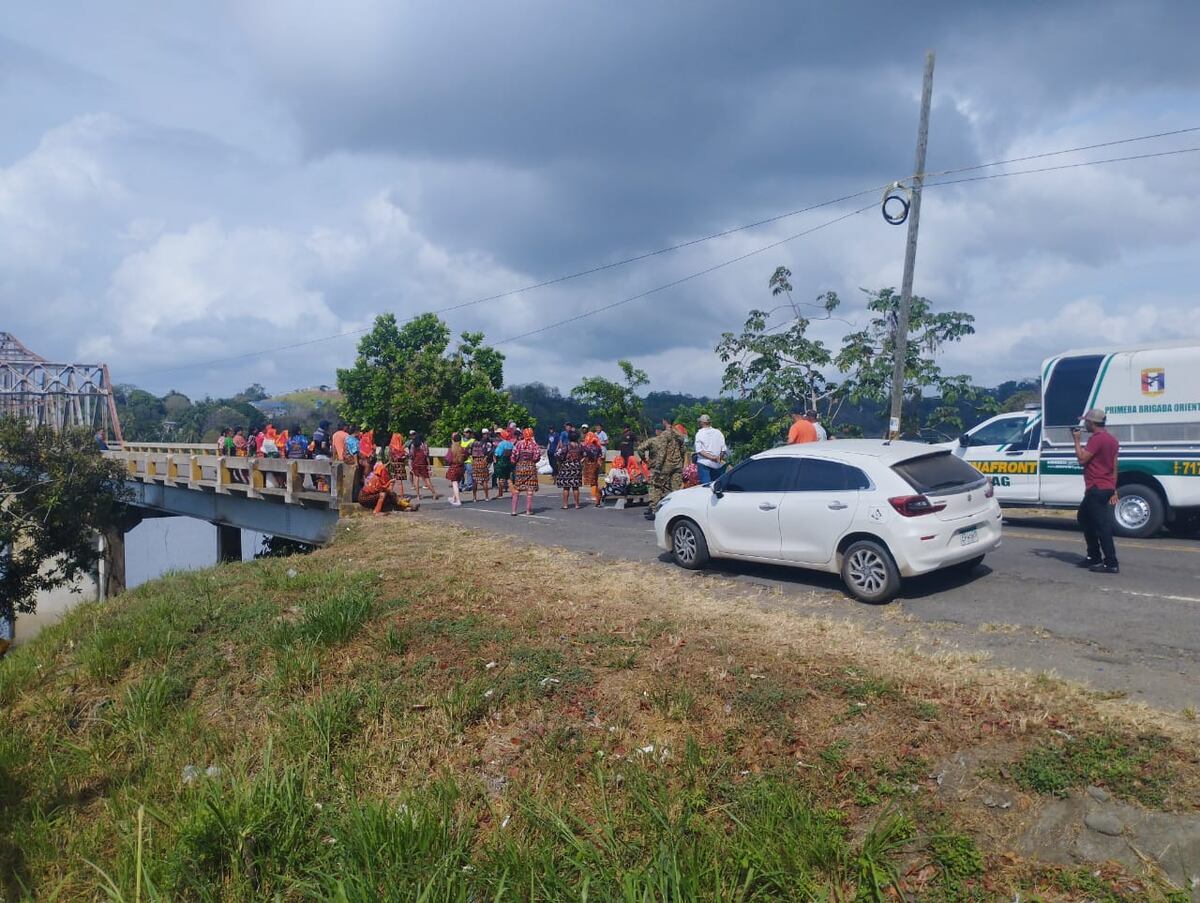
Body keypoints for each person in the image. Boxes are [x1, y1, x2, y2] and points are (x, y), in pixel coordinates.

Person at [1074, 408, 1120, 574]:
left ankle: (1110, 562)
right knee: (1084, 518)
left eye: (1086, 421)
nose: (1084, 424)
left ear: (1092, 423)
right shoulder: (1112, 440)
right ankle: (1093, 556)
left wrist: (1077, 441)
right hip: (1105, 486)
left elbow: (1081, 459)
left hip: (1096, 487)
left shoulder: (1097, 439)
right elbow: (1115, 466)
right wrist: (1113, 488)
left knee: (1102, 525)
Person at [637, 419, 688, 518]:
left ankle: (655, 510)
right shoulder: (679, 434)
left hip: (666, 466)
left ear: (665, 422)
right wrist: (680, 462)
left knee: (656, 486)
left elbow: (662, 452)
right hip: (677, 465)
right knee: (675, 489)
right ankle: (676, 511)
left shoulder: (664, 435)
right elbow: (683, 449)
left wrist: (657, 467)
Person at [511, 428, 541, 516]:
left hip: (520, 466)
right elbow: (537, 457)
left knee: (517, 489)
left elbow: (513, 456)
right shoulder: (534, 445)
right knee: (530, 489)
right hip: (531, 467)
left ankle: (514, 511)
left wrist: (516, 462)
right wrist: (532, 461)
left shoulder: (518, 444)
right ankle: (528, 511)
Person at [693, 413, 728, 485]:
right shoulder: (718, 432)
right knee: (716, 486)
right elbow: (723, 450)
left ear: (701, 423)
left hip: (704, 463)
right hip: (716, 464)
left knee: (706, 487)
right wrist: (718, 458)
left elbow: (699, 450)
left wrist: (712, 458)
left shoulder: (699, 434)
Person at [556, 429, 585, 509]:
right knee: (576, 487)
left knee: (566, 487)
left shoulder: (566, 446)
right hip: (576, 467)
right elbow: (585, 454)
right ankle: (577, 504)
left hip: (567, 467)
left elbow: (558, 454)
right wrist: (581, 461)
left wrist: (561, 460)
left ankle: (565, 505)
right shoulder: (580, 446)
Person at [409, 432, 438, 500]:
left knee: (416, 479)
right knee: (427, 479)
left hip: (415, 463)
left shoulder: (413, 444)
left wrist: (411, 464)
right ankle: (434, 494)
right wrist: (429, 465)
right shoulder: (424, 445)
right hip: (423, 463)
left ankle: (418, 496)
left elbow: (411, 455)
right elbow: (426, 455)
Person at [469, 428, 493, 502]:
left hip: (475, 462)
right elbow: (489, 452)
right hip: (483, 461)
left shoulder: (472, 444)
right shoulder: (485, 444)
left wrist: (472, 459)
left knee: (474, 481)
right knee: (485, 480)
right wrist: (485, 458)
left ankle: (474, 497)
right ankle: (486, 497)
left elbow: (469, 452)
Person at [582, 430, 604, 508]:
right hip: (596, 465)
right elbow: (600, 456)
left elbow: (585, 455)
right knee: (595, 480)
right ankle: (596, 494)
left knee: (592, 481)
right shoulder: (598, 447)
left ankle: (594, 495)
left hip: (590, 465)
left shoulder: (588, 447)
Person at [444, 432, 467, 506]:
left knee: (455, 483)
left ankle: (458, 500)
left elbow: (448, 459)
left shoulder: (452, 449)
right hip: (461, 467)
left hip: (454, 467)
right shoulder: (462, 449)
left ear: (453, 440)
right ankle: (454, 498)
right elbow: (466, 456)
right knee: (457, 482)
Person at [493, 430, 515, 496]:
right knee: (508, 478)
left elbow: (497, 454)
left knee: (501, 478)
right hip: (508, 462)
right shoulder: (511, 444)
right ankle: (513, 492)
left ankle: (500, 493)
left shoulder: (501, 444)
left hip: (501, 462)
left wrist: (495, 460)